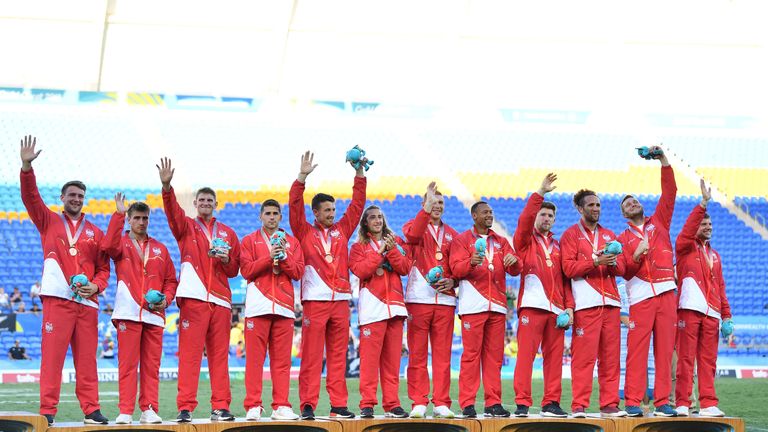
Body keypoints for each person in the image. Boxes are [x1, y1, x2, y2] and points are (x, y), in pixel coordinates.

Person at [19, 135, 110, 426]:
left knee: (87, 362)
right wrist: (26, 168)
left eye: (80, 196)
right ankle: (47, 411)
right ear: (62, 198)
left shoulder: (95, 231)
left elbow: (104, 268)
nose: (76, 199)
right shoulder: (47, 221)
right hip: (58, 301)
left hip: (86, 303)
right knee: (52, 359)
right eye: (71, 195)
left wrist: (96, 286)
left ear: (84, 200)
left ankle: (91, 410)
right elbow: (30, 197)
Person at [157, 157, 241, 422]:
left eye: (209, 201)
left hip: (221, 301)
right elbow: (171, 213)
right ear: (195, 204)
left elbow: (235, 269)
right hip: (193, 298)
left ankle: (220, 406)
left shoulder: (227, 233)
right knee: (190, 356)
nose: (205, 204)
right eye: (201, 201)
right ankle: (185, 407)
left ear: (216, 204)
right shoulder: (185, 227)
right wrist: (167, 187)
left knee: (219, 358)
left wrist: (227, 260)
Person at [289, 151, 367, 420]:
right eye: (328, 210)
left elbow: (357, 206)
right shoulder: (303, 231)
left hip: (341, 301)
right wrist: (301, 178)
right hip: (315, 301)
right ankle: (307, 404)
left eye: (334, 210)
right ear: (316, 213)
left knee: (338, 356)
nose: (333, 214)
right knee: (312, 356)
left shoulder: (342, 230)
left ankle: (338, 404)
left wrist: (359, 175)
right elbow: (294, 206)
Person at [102, 194, 178, 424]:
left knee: (151, 366)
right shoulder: (120, 244)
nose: (142, 222)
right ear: (129, 220)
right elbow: (106, 246)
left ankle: (149, 409)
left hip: (154, 315)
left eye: (145, 218)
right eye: (137, 218)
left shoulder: (160, 249)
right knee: (127, 365)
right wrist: (117, 214)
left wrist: (166, 300)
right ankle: (125, 410)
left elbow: (171, 281)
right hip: (128, 312)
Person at [617, 146, 678, 417]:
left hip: (666, 291)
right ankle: (632, 401)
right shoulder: (621, 240)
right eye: (627, 204)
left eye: (634, 201)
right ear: (624, 215)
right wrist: (636, 255)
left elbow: (670, 192)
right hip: (640, 297)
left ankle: (663, 401)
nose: (633, 204)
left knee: (664, 351)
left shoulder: (660, 222)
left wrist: (663, 159)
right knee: (637, 351)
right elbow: (624, 271)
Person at [449, 201, 522, 418]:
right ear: (474, 216)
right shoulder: (461, 240)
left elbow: (515, 269)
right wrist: (470, 262)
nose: (490, 215)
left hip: (498, 306)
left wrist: (514, 261)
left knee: (494, 357)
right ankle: (467, 403)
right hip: (473, 305)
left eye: (491, 212)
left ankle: (493, 403)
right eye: (485, 212)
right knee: (471, 356)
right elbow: (455, 270)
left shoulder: (500, 241)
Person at [560, 189, 627, 418]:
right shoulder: (570, 235)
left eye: (598, 205)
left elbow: (622, 269)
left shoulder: (609, 235)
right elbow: (568, 269)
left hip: (610, 303)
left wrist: (613, 260)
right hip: (586, 304)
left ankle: (609, 404)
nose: (596, 209)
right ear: (580, 208)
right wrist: (596, 260)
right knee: (584, 358)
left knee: (610, 358)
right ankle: (578, 405)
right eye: (591, 205)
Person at [512, 173, 573, 418]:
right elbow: (525, 221)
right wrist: (540, 194)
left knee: (554, 359)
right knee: (525, 358)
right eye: (543, 214)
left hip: (557, 312)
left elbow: (566, 281)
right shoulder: (525, 241)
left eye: (550, 215)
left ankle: (551, 403)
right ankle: (522, 403)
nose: (546, 218)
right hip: (532, 307)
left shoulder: (559, 246)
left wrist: (569, 308)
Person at [240, 199, 304, 421]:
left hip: (285, 308)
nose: (272, 217)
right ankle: (253, 405)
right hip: (258, 307)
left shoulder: (292, 243)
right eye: (267, 213)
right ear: (260, 216)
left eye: (275, 213)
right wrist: (269, 257)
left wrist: (284, 257)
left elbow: (298, 272)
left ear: (280, 216)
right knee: (255, 360)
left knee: (282, 361)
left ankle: (281, 405)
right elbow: (247, 270)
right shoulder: (249, 241)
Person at [401, 182, 459, 419]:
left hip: (444, 301)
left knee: (443, 354)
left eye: (440, 202)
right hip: (418, 298)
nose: (437, 205)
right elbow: (413, 235)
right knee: (417, 354)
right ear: (424, 204)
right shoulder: (413, 226)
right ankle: (418, 401)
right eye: (432, 201)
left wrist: (454, 281)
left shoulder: (454, 234)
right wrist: (424, 210)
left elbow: (457, 265)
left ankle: (442, 402)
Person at [674, 180, 732, 417]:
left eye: (709, 223)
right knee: (686, 359)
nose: (707, 227)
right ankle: (683, 403)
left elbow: (720, 287)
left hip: (712, 313)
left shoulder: (715, 255)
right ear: (695, 227)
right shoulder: (685, 247)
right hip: (689, 308)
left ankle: (708, 403)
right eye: (703, 224)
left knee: (708, 361)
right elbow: (686, 231)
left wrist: (726, 315)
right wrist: (703, 204)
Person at [349, 206, 410, 418]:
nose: (377, 220)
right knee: (369, 361)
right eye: (372, 217)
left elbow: (404, 267)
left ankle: (392, 404)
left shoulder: (397, 242)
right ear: (365, 223)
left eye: (380, 217)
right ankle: (367, 403)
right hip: (372, 309)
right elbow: (362, 271)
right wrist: (381, 251)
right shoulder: (357, 248)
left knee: (392, 361)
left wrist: (391, 249)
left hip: (395, 308)